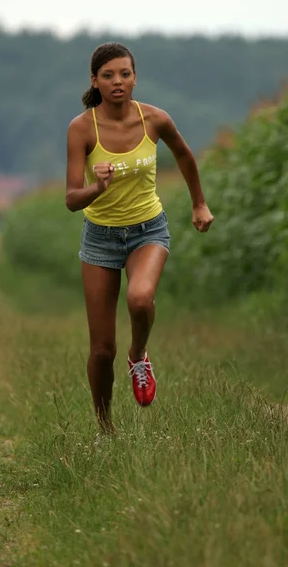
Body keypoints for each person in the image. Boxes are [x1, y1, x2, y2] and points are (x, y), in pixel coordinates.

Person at [65, 42, 214, 434]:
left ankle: (139, 356)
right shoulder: (82, 129)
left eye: (125, 74)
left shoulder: (155, 119)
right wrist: (96, 189)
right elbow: (70, 199)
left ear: (135, 78)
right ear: (95, 81)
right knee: (100, 351)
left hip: (148, 229)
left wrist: (199, 204)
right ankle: (105, 428)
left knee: (140, 298)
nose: (118, 82)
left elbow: (184, 156)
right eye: (108, 75)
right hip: (99, 240)